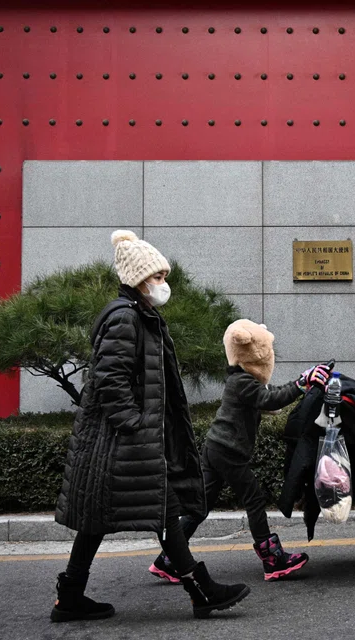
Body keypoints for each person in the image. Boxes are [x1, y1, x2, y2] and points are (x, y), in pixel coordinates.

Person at [51, 230, 250, 622]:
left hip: (124, 442)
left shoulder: (141, 316)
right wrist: (135, 425)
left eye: (163, 276)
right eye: (157, 277)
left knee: (105, 516)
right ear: (138, 280)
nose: (163, 284)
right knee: (158, 510)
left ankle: (71, 596)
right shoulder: (126, 317)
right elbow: (110, 379)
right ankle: (199, 589)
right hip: (122, 441)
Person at [149, 319, 330, 583]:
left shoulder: (241, 381)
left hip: (216, 447)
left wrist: (302, 382)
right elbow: (269, 399)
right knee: (254, 499)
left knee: (201, 506)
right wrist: (302, 383)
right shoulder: (242, 382)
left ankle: (168, 559)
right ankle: (272, 559)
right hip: (227, 450)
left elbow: (268, 398)